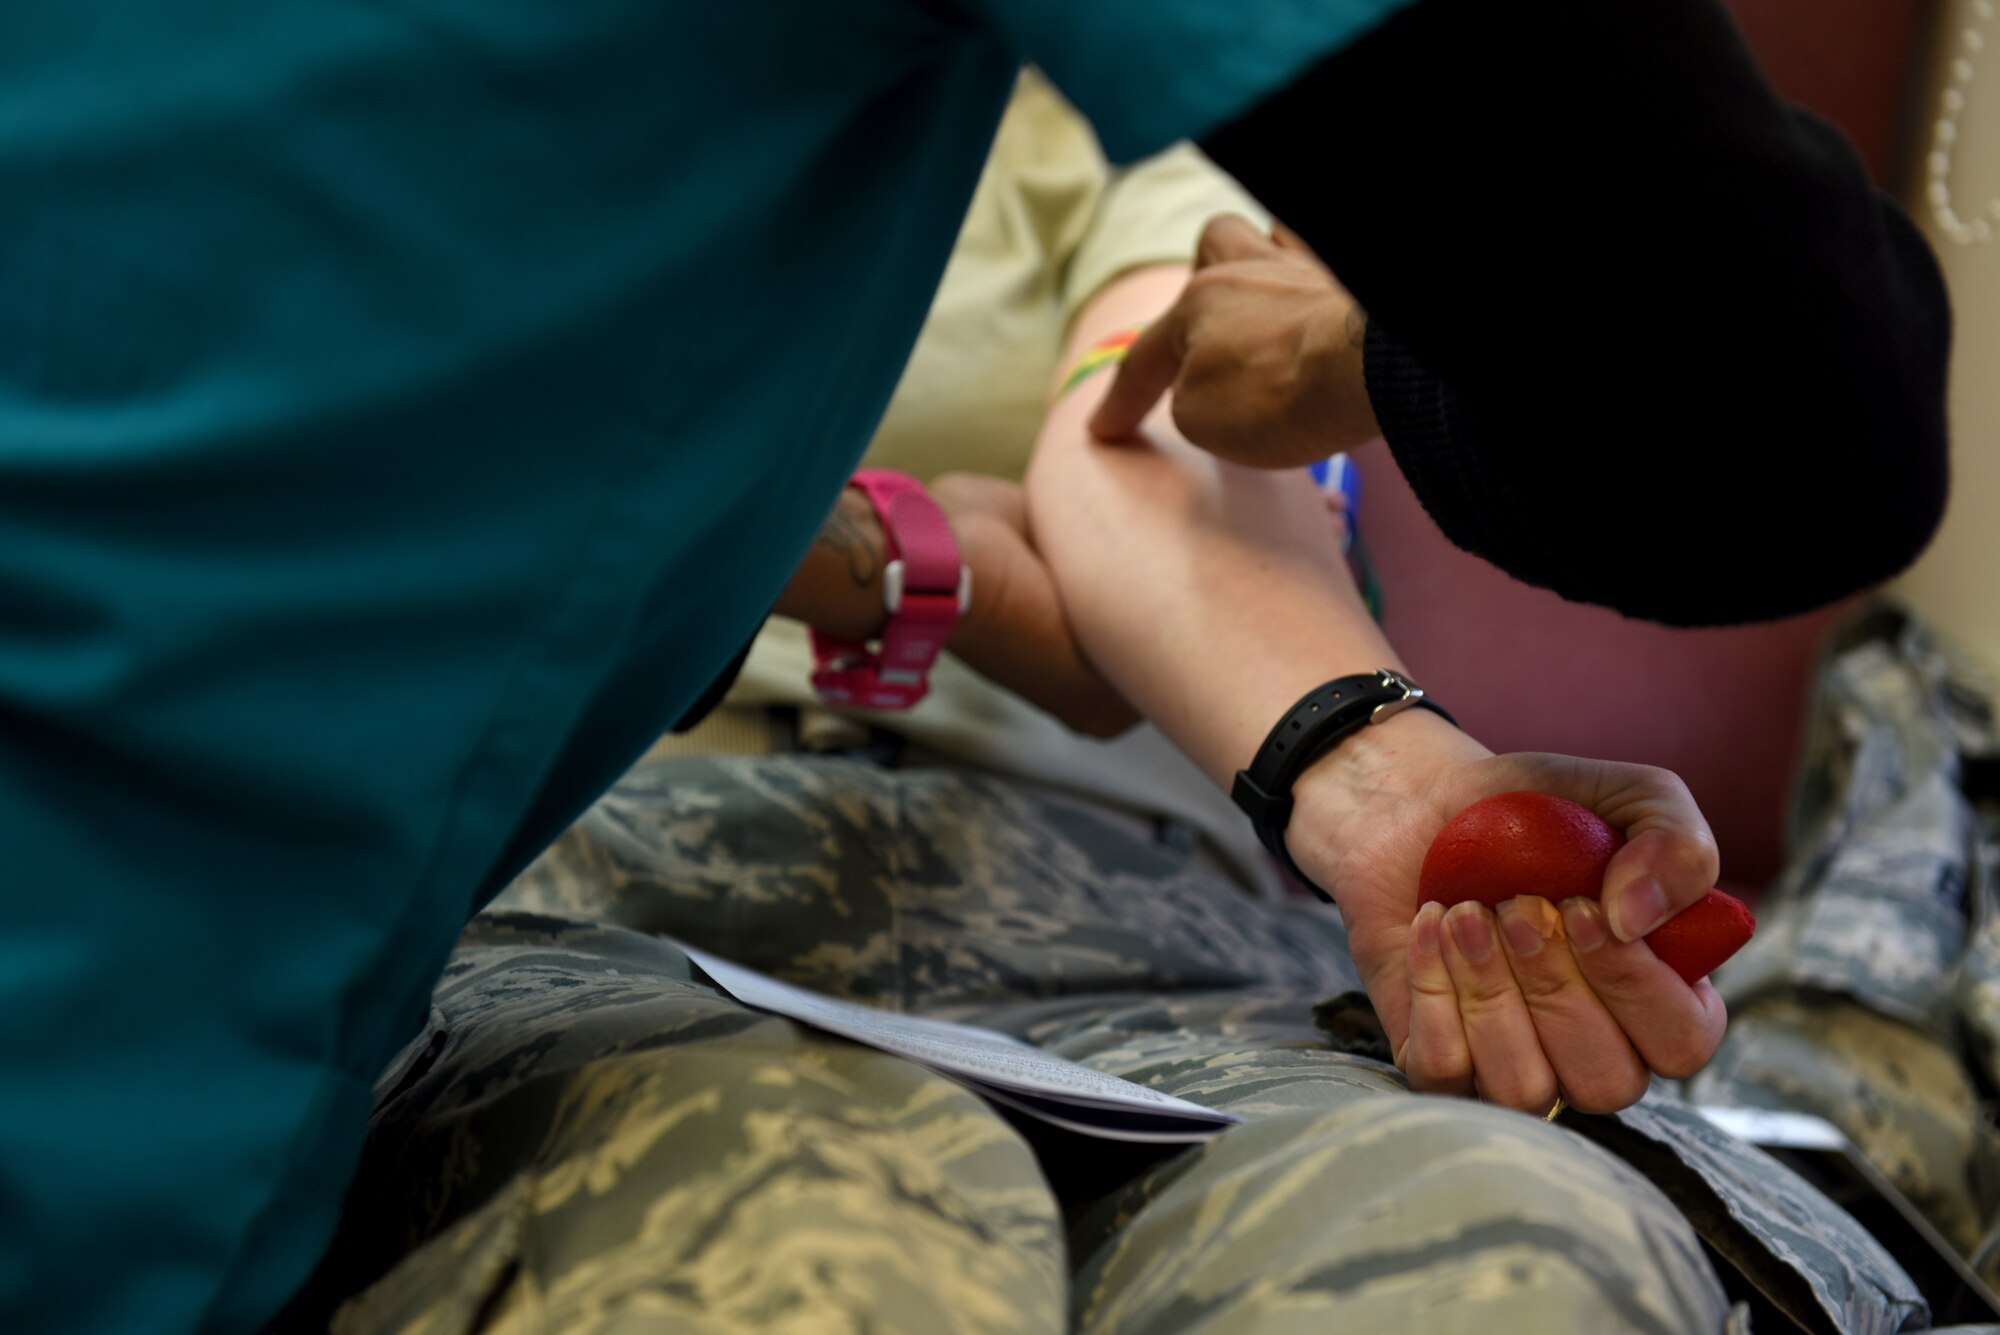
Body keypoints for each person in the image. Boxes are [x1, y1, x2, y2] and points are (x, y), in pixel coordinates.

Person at [0, 3, 1950, 1332]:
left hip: (1075, 887)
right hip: (590, 854)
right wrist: (872, 553)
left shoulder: (1173, 110)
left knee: (1516, 1246)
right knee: (824, 1217)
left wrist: (1378, 770)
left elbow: (1153, 468)